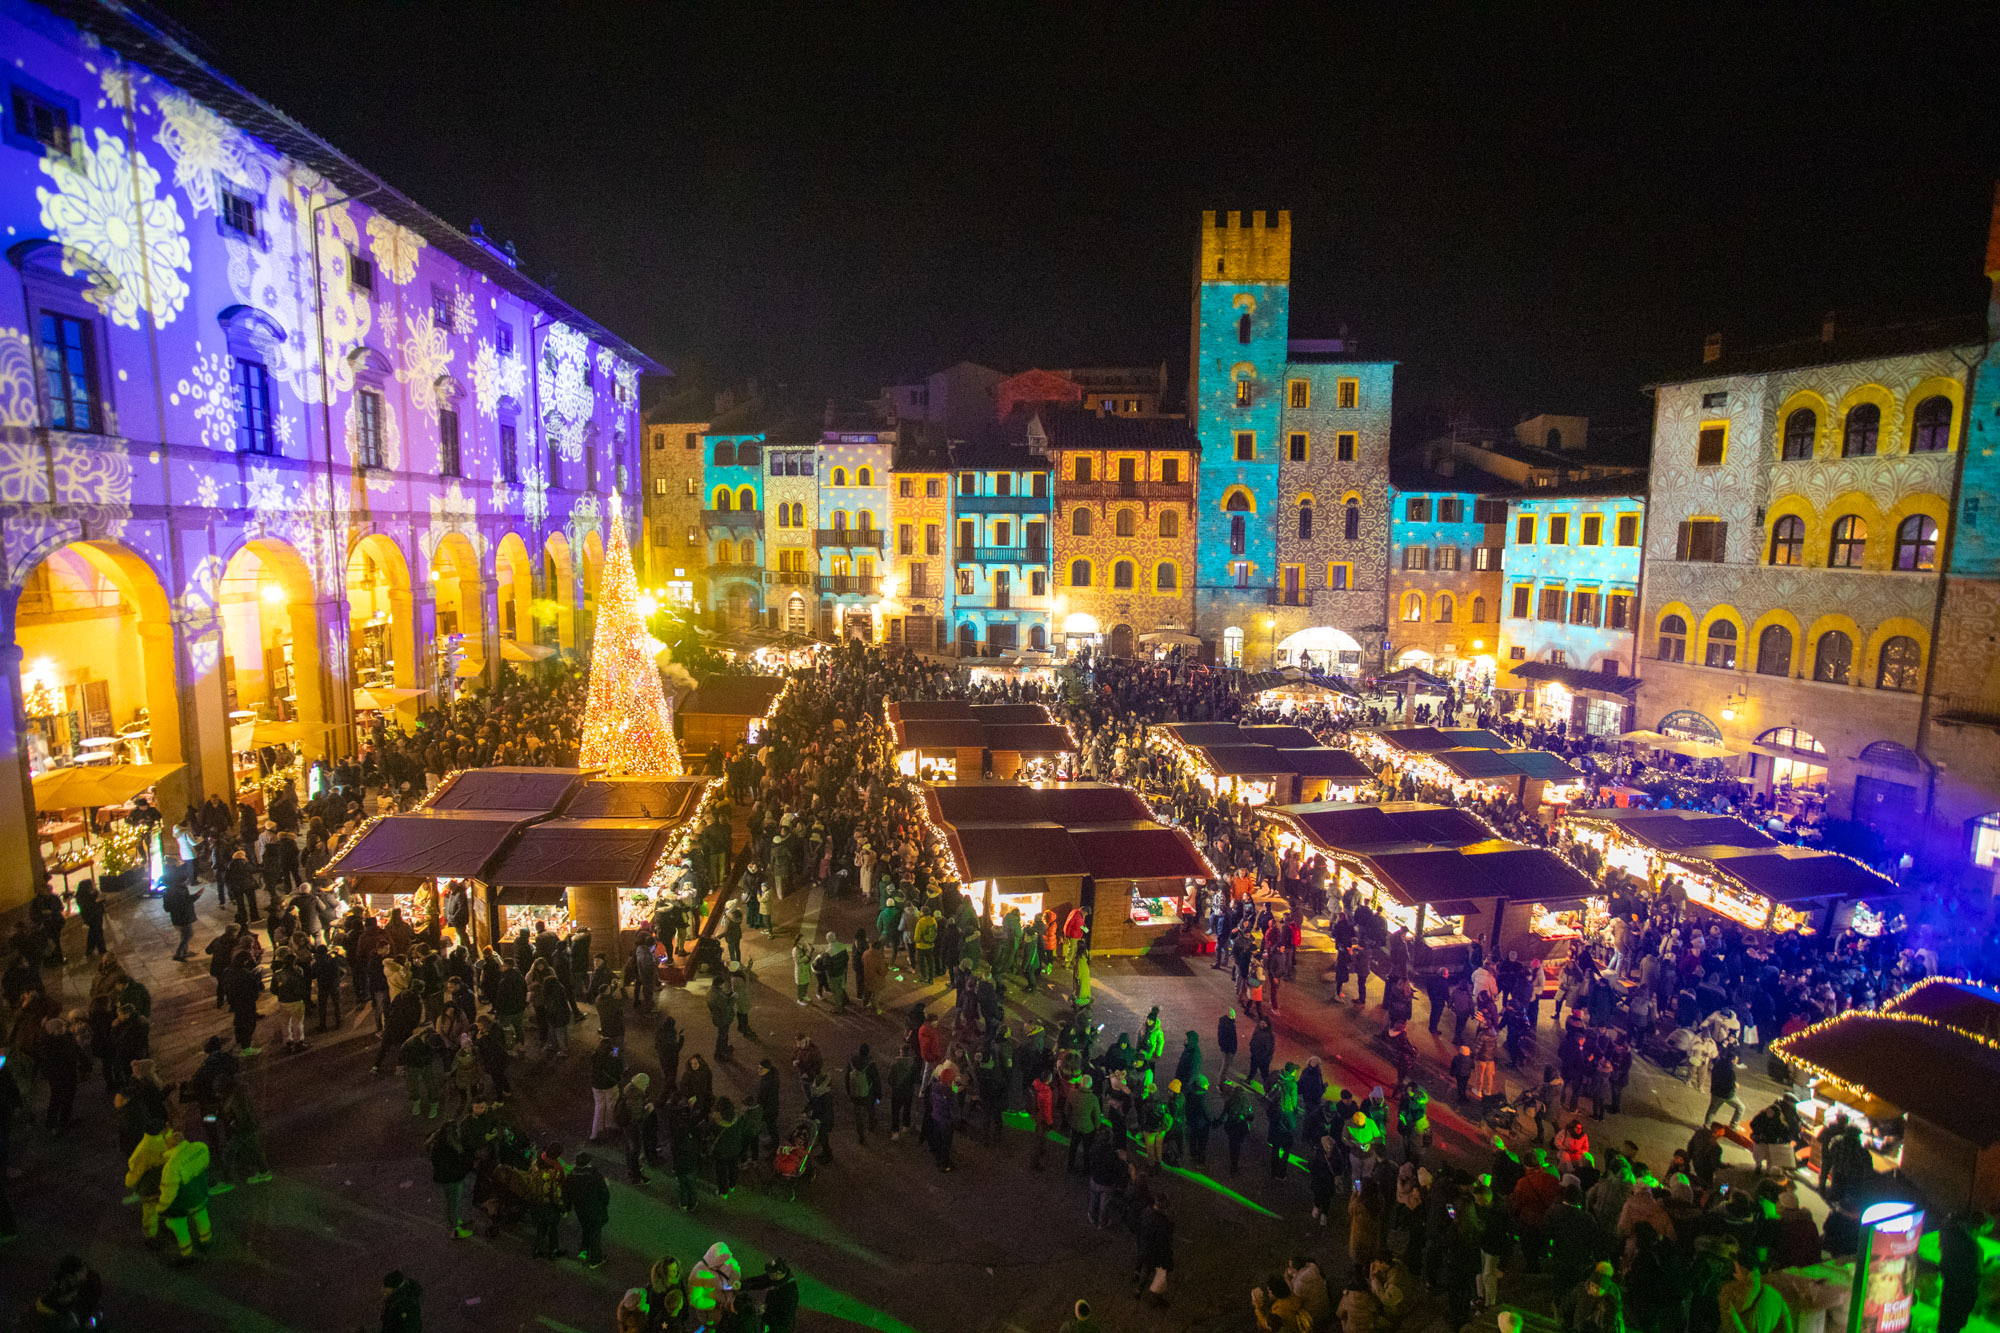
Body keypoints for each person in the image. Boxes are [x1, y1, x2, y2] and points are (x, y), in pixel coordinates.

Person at [568, 1151, 611, 1269]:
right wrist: (604, 1204)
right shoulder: (595, 1176)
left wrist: (567, 1207)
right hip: (595, 1210)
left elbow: (568, 1193)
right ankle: (595, 1260)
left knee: (586, 1227)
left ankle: (584, 1250)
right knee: (595, 1233)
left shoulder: (572, 1176)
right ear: (588, 1164)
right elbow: (604, 1194)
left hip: (580, 1210)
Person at [1135, 1194, 1175, 1305]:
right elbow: (1164, 1241)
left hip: (1145, 1246)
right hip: (1157, 1251)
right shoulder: (1163, 1223)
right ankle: (1156, 1295)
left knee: (1146, 1269)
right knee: (1161, 1273)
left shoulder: (1146, 1212)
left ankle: (1138, 1289)